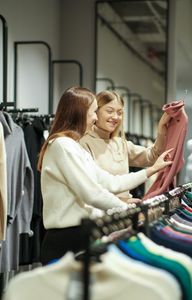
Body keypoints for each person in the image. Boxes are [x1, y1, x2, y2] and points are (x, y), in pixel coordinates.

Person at [37, 87, 173, 265]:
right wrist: (129, 212)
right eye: (94, 112)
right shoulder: (63, 146)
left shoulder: (73, 146)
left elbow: (110, 182)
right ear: (80, 112)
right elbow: (92, 194)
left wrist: (151, 170)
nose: (95, 118)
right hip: (67, 238)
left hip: (83, 233)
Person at [79, 90, 171, 201]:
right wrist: (123, 201)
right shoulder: (84, 143)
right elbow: (88, 187)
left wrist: (161, 130)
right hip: (100, 214)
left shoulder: (120, 144)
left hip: (124, 212)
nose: (115, 117)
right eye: (109, 111)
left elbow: (152, 156)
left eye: (119, 112)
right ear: (96, 112)